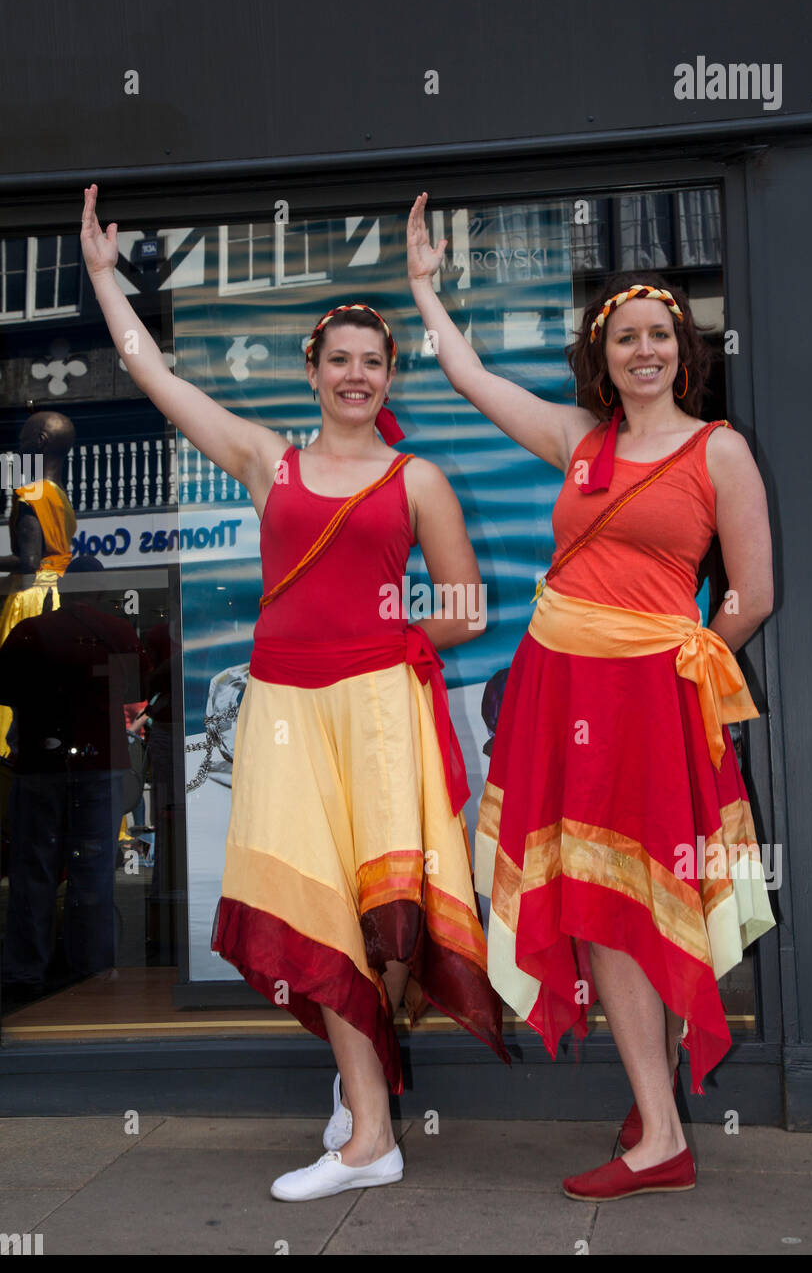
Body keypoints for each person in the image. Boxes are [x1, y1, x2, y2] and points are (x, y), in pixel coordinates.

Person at [79, 184, 508, 1202]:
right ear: (311, 374)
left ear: (387, 374)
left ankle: (365, 1106)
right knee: (310, 905)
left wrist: (391, 633)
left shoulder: (417, 481)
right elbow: (152, 377)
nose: (355, 374)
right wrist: (102, 276)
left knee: (386, 918)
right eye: (339, 360)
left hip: (377, 712)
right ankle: (369, 1126)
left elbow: (466, 609)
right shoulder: (268, 461)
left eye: (372, 361)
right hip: (282, 709)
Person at [407, 191, 775, 1201]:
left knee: (640, 903)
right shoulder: (578, 440)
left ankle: (658, 1127)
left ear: (681, 349)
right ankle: (653, 1116)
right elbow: (473, 379)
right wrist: (425, 294)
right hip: (559, 691)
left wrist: (683, 659)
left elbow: (751, 593)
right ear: (601, 354)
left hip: (649, 703)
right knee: (600, 906)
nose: (643, 350)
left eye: (659, 334)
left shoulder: (718, 451)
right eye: (625, 337)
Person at [0, 558, 148, 1003]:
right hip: (99, 767)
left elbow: (4, 688)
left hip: (40, 766)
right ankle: (92, 972)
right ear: (102, 590)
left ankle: (27, 973)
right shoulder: (119, 633)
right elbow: (134, 690)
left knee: (34, 872)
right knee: (93, 874)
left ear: (64, 588)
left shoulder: (32, 633)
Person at [0, 409, 77, 757]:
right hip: (55, 593)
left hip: (31, 597)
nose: (18, 448)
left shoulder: (32, 493)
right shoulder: (59, 493)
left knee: (14, 686)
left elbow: (29, 563)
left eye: (23, 440)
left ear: (40, 441)